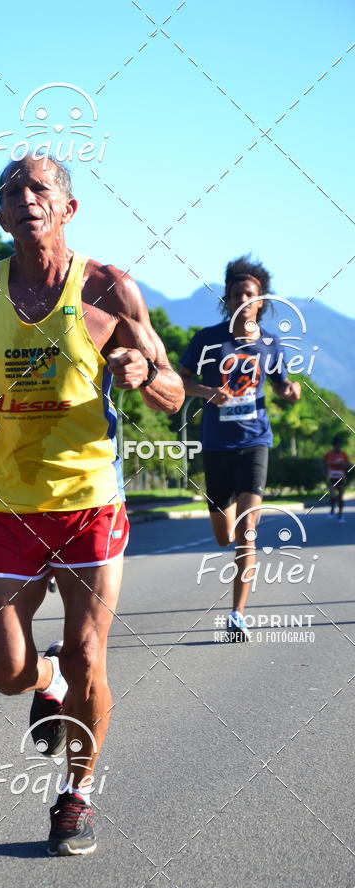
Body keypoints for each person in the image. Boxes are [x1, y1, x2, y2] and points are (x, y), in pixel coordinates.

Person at [0, 154, 184, 855]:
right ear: (0, 216)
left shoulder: (111, 289)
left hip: (89, 504)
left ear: (68, 209)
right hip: (6, 506)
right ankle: (42, 679)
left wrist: (144, 373)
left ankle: (76, 797)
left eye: (39, 188)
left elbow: (172, 387)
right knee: (6, 673)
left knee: (88, 655)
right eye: (11, 192)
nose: (25, 198)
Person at [179, 256, 301, 641]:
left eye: (250, 294)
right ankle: (225, 524)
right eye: (236, 295)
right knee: (223, 535)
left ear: (260, 300)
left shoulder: (270, 343)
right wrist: (205, 392)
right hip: (217, 445)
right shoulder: (207, 339)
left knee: (248, 531)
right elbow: (179, 382)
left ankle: (237, 615)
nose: (243, 300)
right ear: (227, 300)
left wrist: (289, 390)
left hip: (255, 442)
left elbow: (282, 385)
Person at [323, 436, 350, 522]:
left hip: (341, 478)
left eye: (340, 445)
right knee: (332, 495)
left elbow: (348, 465)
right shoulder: (328, 454)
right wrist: (327, 465)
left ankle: (340, 514)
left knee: (341, 497)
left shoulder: (343, 454)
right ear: (334, 445)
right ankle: (332, 508)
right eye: (337, 445)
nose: (339, 446)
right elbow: (323, 463)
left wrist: (342, 464)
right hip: (332, 477)